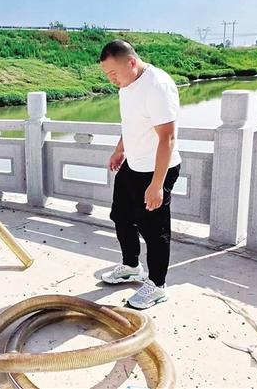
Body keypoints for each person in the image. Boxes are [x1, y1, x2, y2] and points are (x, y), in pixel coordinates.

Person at [99, 40, 181, 310]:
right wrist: (119, 149)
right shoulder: (127, 85)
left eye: (113, 73)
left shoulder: (157, 85)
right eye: (107, 75)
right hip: (133, 163)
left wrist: (157, 184)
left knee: (154, 230)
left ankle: (157, 285)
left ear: (131, 62)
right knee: (121, 216)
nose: (111, 79)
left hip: (156, 168)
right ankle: (131, 267)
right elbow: (131, 123)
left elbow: (167, 138)